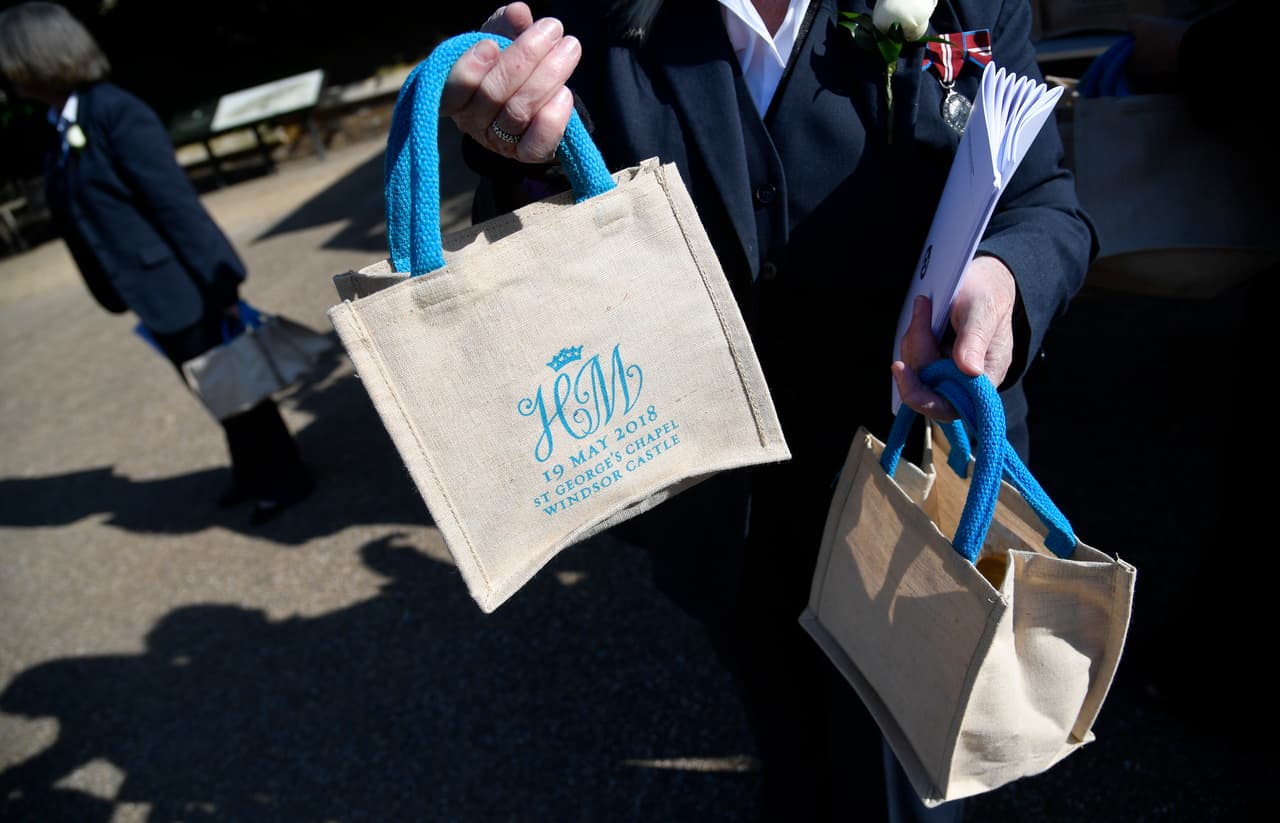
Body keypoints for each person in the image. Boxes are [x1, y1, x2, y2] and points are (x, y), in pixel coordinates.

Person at [443, 2, 1096, 820]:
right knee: (791, 747)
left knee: (904, 779)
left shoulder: (966, 5)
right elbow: (547, 261)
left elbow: (1048, 207)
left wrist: (1005, 281)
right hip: (723, 509)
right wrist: (513, 153)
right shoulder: (590, 22)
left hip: (916, 496)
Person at [0, 1, 313, 526]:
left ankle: (285, 478)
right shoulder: (61, 126)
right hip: (150, 291)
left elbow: (174, 204)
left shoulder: (114, 112)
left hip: (187, 286)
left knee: (238, 383)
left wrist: (222, 283)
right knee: (211, 384)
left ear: (34, 58)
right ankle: (252, 469)